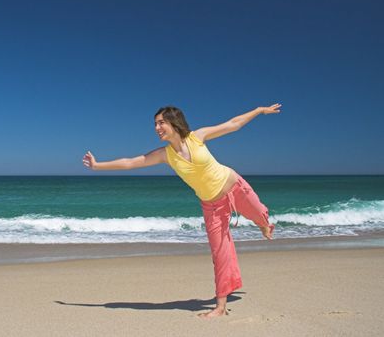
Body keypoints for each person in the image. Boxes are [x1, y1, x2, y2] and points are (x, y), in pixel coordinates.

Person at [82, 104, 281, 319]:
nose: (157, 128)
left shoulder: (197, 137)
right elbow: (131, 162)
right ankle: (220, 305)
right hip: (212, 206)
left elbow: (233, 124)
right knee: (219, 253)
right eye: (155, 124)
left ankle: (263, 224)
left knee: (259, 213)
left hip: (235, 187)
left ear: (174, 122)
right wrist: (97, 166)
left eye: (161, 123)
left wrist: (259, 110)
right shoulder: (165, 155)